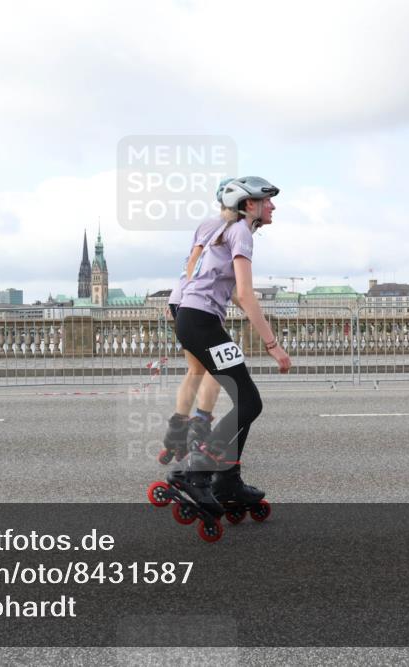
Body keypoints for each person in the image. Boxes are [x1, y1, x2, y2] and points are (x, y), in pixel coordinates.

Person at [167, 176, 291, 519]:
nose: (273, 206)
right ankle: (197, 470)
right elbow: (248, 294)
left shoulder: (218, 229)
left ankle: (227, 479)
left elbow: (227, 290)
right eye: (267, 200)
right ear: (249, 205)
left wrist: (179, 305)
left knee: (245, 402)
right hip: (201, 322)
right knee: (250, 402)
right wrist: (273, 344)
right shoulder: (240, 232)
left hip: (194, 319)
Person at [158, 177, 233, 465]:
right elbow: (202, 269)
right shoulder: (230, 231)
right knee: (219, 368)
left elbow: (191, 263)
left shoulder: (206, 226)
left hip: (180, 300)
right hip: (196, 303)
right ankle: (200, 432)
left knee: (195, 369)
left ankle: (176, 433)